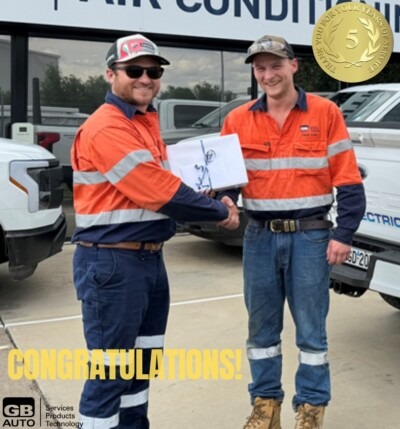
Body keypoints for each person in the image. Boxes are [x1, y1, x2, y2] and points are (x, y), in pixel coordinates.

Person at [70, 33, 239, 429]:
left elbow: (167, 182)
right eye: (134, 70)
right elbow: (157, 190)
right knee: (111, 373)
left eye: (153, 71)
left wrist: (209, 191)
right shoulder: (107, 127)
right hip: (113, 264)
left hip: (145, 260)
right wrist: (220, 211)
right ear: (111, 74)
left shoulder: (144, 123)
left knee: (140, 366)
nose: (145, 78)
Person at [219, 35, 366, 429]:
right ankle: (265, 407)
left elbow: (349, 181)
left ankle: (311, 409)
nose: (268, 75)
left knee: (312, 332)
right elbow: (227, 181)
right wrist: (225, 201)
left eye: (275, 66)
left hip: (311, 237)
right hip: (259, 237)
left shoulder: (325, 112)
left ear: (293, 66)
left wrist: (344, 234)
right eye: (260, 68)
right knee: (261, 329)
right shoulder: (237, 120)